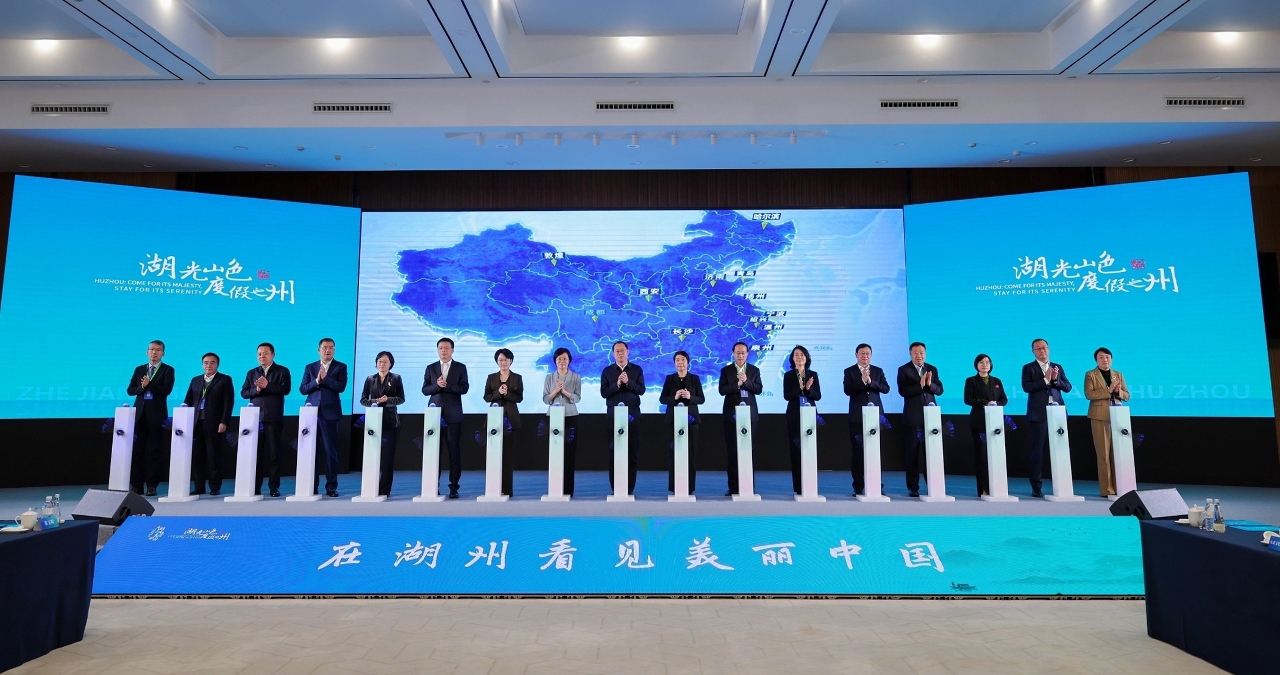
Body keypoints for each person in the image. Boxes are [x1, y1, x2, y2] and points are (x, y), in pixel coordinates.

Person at [1021, 338, 1073, 499]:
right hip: (1038, 414)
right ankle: (1036, 486)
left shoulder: (1057, 367)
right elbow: (1026, 387)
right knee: (1037, 451)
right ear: (1033, 351)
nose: (1041, 350)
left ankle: (1063, 485)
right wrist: (1045, 379)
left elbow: (1068, 387)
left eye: (1044, 347)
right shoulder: (1028, 368)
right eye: (1038, 348)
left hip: (1058, 413)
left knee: (1061, 449)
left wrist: (1055, 380)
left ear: (1048, 349)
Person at [241, 342, 291, 497]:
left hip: (273, 418)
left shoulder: (282, 371)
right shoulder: (252, 373)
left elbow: (285, 389)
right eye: (259, 354)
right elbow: (244, 393)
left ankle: (274, 487)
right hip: (255, 420)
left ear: (273, 355)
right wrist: (257, 389)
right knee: (255, 455)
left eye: (265, 353)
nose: (262, 356)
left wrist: (268, 385)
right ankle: (255, 487)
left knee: (274, 455)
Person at [300, 338, 348, 498]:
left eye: (331, 348)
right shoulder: (310, 367)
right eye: (325, 347)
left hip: (330, 413)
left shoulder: (341, 367)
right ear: (318, 350)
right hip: (311, 413)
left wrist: (325, 378)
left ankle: (331, 486)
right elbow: (303, 389)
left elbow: (340, 387)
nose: (328, 350)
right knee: (311, 451)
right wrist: (316, 381)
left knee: (330, 451)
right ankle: (311, 486)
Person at [422, 337, 469, 499]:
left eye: (447, 348)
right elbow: (425, 390)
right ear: (437, 350)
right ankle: (433, 486)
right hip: (434, 416)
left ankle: (454, 487)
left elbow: (464, 388)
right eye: (441, 348)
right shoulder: (431, 368)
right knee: (434, 453)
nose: (444, 350)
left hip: (453, 415)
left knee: (453, 452)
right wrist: (437, 386)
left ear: (452, 350)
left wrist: (447, 386)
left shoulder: (460, 367)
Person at [127, 340, 175, 496]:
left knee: (156, 450)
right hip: (139, 414)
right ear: (147, 352)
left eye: (158, 350)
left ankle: (152, 485)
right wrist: (142, 387)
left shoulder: (168, 370)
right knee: (137, 450)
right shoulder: (139, 369)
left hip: (157, 414)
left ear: (163, 353)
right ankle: (136, 485)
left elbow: (166, 390)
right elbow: (130, 390)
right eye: (152, 349)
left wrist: (149, 384)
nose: (154, 352)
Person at [896, 341, 943, 498]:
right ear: (910, 354)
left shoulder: (932, 369)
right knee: (913, 454)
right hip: (913, 418)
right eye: (915, 352)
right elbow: (903, 391)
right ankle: (913, 487)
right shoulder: (904, 370)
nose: (919, 355)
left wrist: (930, 384)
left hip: (931, 418)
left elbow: (940, 390)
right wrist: (920, 385)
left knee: (932, 454)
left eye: (921, 352)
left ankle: (933, 486)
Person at [183, 352, 233, 496]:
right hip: (196, 423)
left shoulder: (224, 380)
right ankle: (199, 486)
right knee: (197, 456)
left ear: (217, 364)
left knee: (213, 456)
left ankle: (215, 486)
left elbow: (228, 403)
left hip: (215, 423)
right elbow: (188, 401)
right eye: (206, 362)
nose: (208, 365)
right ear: (202, 364)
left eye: (212, 362)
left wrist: (224, 421)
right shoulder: (195, 380)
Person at [843, 343, 889, 496]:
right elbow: (848, 390)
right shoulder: (849, 371)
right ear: (856, 355)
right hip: (857, 418)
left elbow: (885, 388)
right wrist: (862, 381)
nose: (865, 356)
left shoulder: (877, 371)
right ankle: (858, 486)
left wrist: (871, 382)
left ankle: (877, 485)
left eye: (868, 353)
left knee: (875, 452)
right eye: (862, 353)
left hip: (876, 418)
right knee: (858, 453)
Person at [1084, 347, 1130, 498]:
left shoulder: (1118, 374)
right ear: (1096, 360)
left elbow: (1127, 395)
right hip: (1099, 416)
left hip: (1118, 416)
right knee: (1103, 454)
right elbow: (1089, 394)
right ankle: (1107, 489)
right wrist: (1108, 390)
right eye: (1101, 357)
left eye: (1107, 357)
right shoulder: (1090, 375)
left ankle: (1120, 486)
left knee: (1118, 453)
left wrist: (1117, 392)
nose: (1105, 360)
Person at [718, 342, 762, 496]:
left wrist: (747, 382)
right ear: (733, 353)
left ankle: (749, 486)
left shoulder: (754, 370)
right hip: (731, 416)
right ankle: (733, 487)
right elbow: (722, 390)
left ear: (747, 354)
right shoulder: (726, 370)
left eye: (743, 353)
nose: (740, 355)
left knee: (749, 451)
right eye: (738, 353)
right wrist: (737, 384)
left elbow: (758, 389)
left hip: (750, 416)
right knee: (732, 452)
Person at [601, 340, 645, 495]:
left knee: (632, 451)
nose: (620, 353)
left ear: (628, 352)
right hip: (613, 416)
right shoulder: (607, 371)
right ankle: (616, 487)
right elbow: (604, 393)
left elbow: (641, 390)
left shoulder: (636, 369)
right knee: (614, 451)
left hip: (632, 415)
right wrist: (618, 384)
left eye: (622, 350)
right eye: (617, 351)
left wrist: (628, 382)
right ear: (613, 354)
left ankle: (629, 487)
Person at [360, 351, 405, 497]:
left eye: (385, 361)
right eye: (379, 361)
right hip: (373, 423)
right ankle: (370, 488)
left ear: (390, 364)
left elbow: (401, 399)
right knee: (372, 456)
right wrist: (375, 402)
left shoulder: (396, 378)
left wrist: (387, 400)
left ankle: (384, 490)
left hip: (390, 422)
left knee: (387, 458)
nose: (382, 364)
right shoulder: (370, 379)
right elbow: (363, 400)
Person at [659, 350, 705, 495]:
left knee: (691, 454)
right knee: (674, 453)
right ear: (674, 363)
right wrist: (674, 397)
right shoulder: (669, 379)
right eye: (677, 360)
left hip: (691, 421)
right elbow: (663, 399)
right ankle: (675, 487)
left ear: (688, 362)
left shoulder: (695, 379)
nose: (680, 362)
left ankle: (689, 487)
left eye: (683, 360)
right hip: (673, 421)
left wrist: (690, 397)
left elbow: (701, 399)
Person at [962, 354, 1008, 497]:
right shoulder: (971, 381)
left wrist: (996, 404)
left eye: (987, 362)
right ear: (976, 365)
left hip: (995, 423)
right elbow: (968, 399)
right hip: (979, 421)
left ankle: (997, 487)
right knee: (982, 456)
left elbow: (1004, 399)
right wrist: (985, 403)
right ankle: (983, 488)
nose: (985, 364)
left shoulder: (997, 381)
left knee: (996, 455)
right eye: (981, 362)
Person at [483, 348, 523, 497]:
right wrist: (498, 393)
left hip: (511, 420)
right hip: (494, 420)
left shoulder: (517, 378)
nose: (503, 362)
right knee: (493, 456)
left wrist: (507, 394)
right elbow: (487, 397)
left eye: (506, 360)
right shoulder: (491, 377)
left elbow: (519, 398)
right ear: (497, 361)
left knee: (507, 456)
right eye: (500, 360)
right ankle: (493, 488)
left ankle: (507, 490)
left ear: (511, 361)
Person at [782, 345, 822, 495]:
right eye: (796, 355)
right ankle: (799, 487)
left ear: (806, 357)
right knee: (796, 450)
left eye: (802, 355)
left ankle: (810, 485)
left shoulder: (813, 375)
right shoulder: (788, 375)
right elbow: (787, 396)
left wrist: (809, 389)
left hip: (810, 415)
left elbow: (818, 396)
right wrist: (800, 388)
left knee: (810, 449)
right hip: (794, 415)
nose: (799, 357)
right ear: (792, 358)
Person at [542, 347, 581, 496]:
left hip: (570, 416)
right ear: (555, 361)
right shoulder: (549, 377)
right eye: (559, 359)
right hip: (553, 417)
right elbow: (546, 399)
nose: (562, 361)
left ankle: (568, 490)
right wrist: (555, 391)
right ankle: (555, 488)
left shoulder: (575, 377)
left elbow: (577, 398)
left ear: (569, 360)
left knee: (569, 453)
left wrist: (564, 391)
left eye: (564, 358)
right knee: (555, 453)